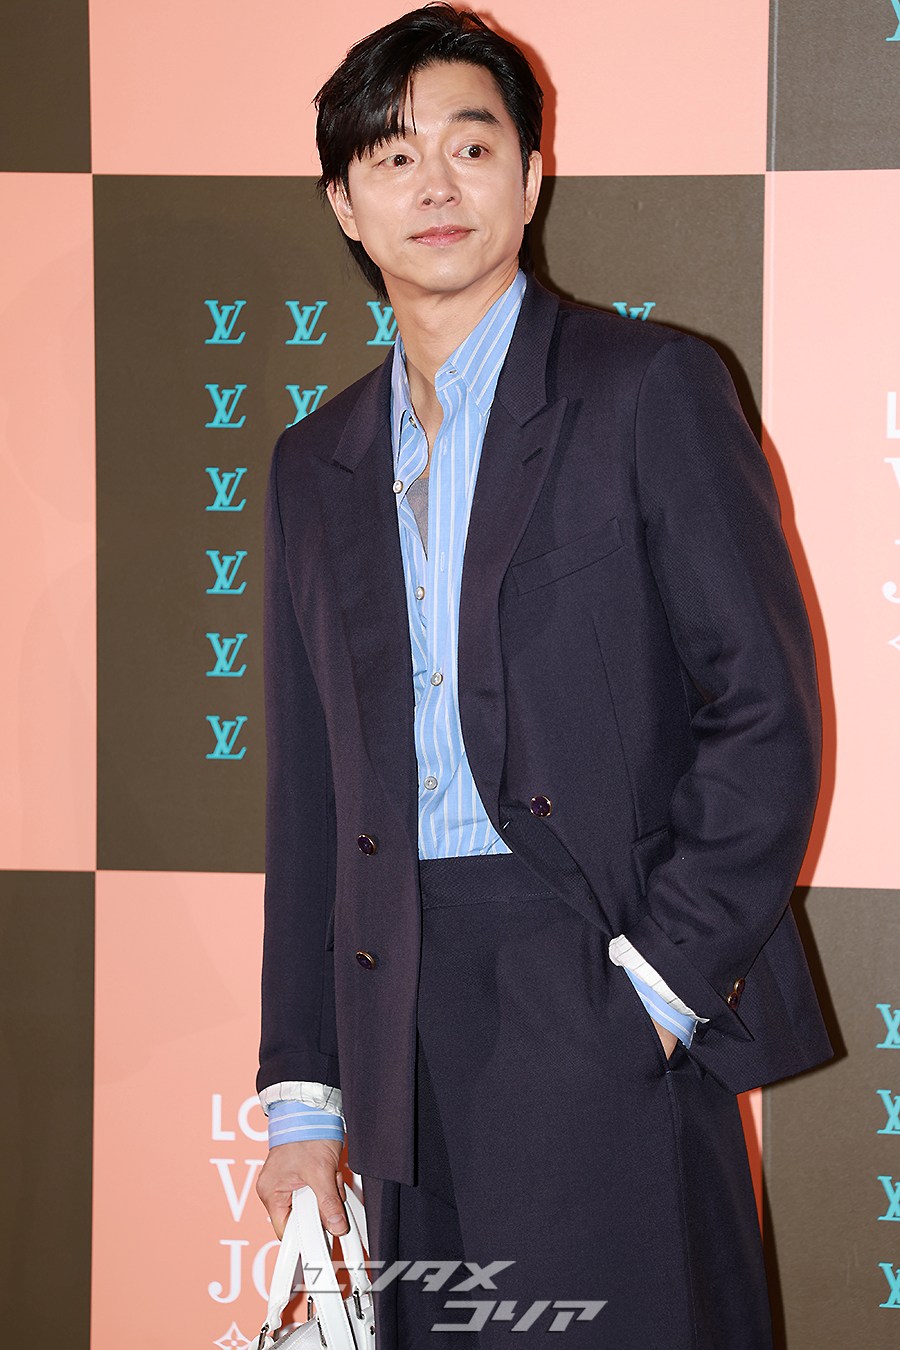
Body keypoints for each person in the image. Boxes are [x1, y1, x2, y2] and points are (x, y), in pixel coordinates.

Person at [254, 5, 833, 1345]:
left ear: (530, 176)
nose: (436, 186)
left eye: (472, 146)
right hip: (395, 1005)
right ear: (345, 203)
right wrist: (305, 1098)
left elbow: (767, 710)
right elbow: (309, 796)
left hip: (593, 975)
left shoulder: (650, 389)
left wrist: (654, 991)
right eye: (393, 158)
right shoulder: (313, 463)